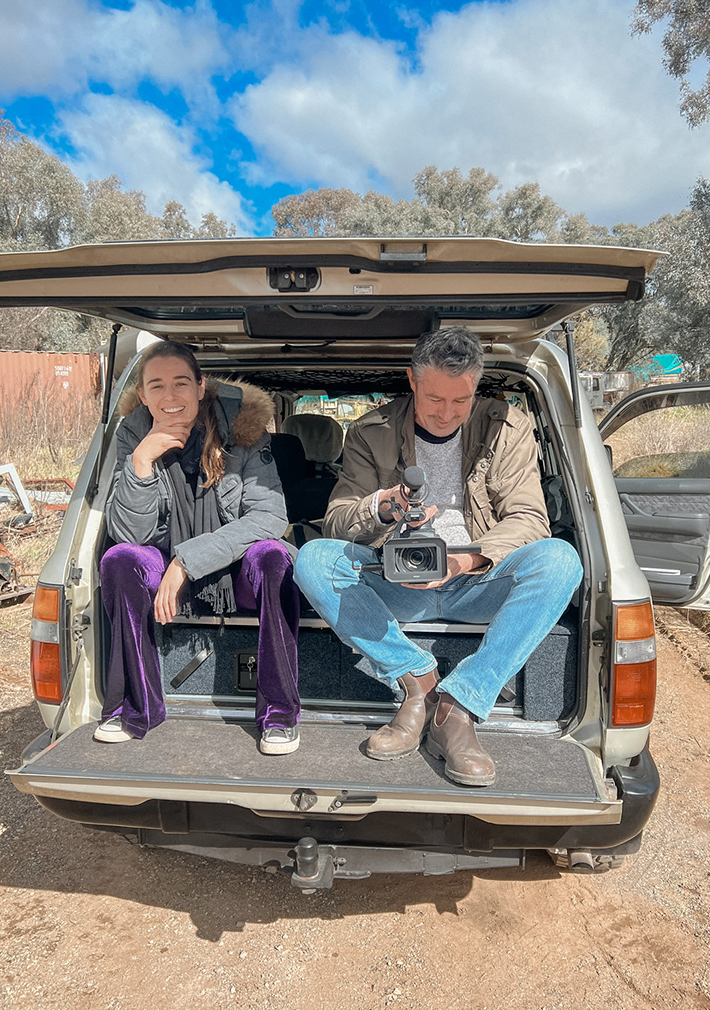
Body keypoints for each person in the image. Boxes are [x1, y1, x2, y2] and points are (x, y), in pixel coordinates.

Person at [293, 326, 582, 787]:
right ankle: (419, 681)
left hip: (478, 579)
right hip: (396, 583)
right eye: (434, 399)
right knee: (313, 559)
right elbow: (338, 522)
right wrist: (382, 506)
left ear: (476, 386)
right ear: (412, 380)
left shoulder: (507, 427)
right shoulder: (370, 430)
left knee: (561, 560)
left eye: (460, 400)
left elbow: (529, 518)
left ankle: (459, 704)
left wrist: (465, 561)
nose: (446, 413)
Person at [97, 340, 301, 755]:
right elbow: (128, 533)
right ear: (143, 394)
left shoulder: (243, 432)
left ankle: (278, 715)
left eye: (180, 383)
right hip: (162, 561)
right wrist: (140, 463)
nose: (169, 396)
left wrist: (186, 561)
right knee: (119, 559)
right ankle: (134, 709)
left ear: (201, 386)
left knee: (273, 557)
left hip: (230, 569)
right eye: (156, 386)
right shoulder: (133, 436)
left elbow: (269, 517)